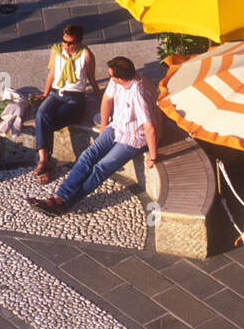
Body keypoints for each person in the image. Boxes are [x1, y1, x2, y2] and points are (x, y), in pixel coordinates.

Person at [28, 55, 161, 216]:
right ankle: (59, 197)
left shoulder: (139, 94)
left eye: (111, 75)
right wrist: (104, 126)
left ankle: (62, 203)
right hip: (116, 127)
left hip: (134, 137)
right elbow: (107, 99)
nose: (109, 76)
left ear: (120, 77)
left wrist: (152, 157)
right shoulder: (117, 81)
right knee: (87, 156)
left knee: (101, 167)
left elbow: (149, 127)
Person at [33, 25, 100, 184]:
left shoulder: (86, 54)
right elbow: (52, 74)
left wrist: (101, 98)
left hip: (74, 97)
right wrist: (45, 93)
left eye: (70, 43)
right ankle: (44, 161)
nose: (66, 46)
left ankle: (44, 163)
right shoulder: (56, 51)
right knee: (41, 116)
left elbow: (91, 78)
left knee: (43, 123)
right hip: (55, 94)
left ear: (79, 42)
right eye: (64, 41)